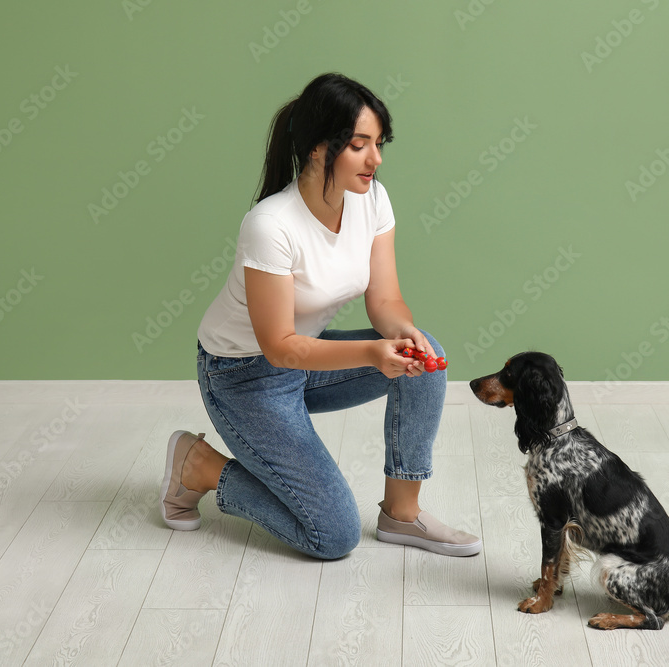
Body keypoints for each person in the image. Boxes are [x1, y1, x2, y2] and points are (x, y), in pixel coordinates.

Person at [159, 72, 482, 560]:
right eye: (359, 145)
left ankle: (402, 513)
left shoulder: (371, 199)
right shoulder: (270, 225)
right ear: (317, 148)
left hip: (307, 361)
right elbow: (278, 346)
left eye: (378, 143)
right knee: (332, 536)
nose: (376, 159)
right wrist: (373, 353)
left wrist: (401, 333)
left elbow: (385, 299)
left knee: (424, 354)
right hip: (242, 376)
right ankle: (200, 466)